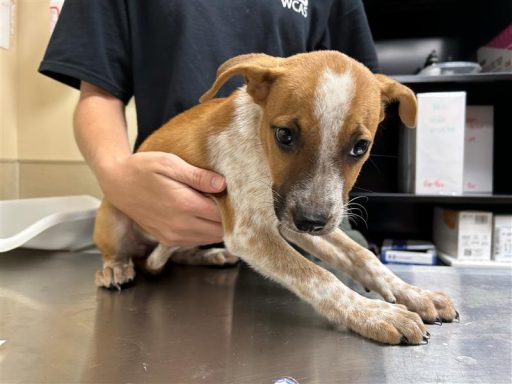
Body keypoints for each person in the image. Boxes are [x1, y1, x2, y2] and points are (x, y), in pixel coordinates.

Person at [39, 0, 378, 248]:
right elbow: (99, 91)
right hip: (171, 217)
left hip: (301, 220)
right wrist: (116, 176)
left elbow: (360, 98)